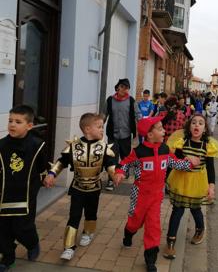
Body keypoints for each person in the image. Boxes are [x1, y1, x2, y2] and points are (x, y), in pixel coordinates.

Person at [113, 116, 200, 272]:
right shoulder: (139, 152)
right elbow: (125, 162)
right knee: (135, 222)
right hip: (139, 196)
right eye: (160, 129)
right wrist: (119, 172)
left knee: (153, 227)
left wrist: (189, 164)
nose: (164, 131)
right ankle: (128, 234)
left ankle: (150, 259)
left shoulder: (165, 149)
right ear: (149, 134)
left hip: (156, 196)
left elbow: (174, 162)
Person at [44, 113, 116, 261]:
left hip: (94, 188)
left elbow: (110, 164)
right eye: (99, 127)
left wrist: (115, 175)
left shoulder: (103, 147)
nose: (102, 130)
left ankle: (88, 232)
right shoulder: (74, 146)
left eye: (102, 127)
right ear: (88, 129)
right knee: (74, 215)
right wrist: (52, 174)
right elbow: (61, 161)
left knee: (91, 213)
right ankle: (69, 247)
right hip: (77, 188)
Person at [163, 114, 218, 260]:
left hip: (197, 182)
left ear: (205, 129)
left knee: (195, 209)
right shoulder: (182, 143)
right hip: (180, 179)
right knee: (177, 210)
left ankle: (200, 230)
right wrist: (185, 159)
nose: (197, 125)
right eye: (194, 122)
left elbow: (211, 168)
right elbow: (174, 162)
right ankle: (170, 242)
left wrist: (211, 187)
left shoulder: (207, 146)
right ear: (189, 126)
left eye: (201, 123)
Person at [0, 105, 48, 272]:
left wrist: (48, 176)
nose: (12, 124)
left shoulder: (37, 145)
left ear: (29, 125)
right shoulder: (1, 145)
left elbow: (43, 166)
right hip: (4, 195)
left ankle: (32, 243)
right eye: (10, 121)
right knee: (3, 230)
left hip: (26, 195)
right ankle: (7, 258)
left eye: (18, 122)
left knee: (22, 228)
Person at [104, 78, 138, 191]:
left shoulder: (131, 101)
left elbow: (138, 115)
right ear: (117, 87)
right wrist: (98, 126)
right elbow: (104, 115)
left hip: (126, 134)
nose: (124, 89)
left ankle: (124, 171)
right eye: (122, 87)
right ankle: (111, 179)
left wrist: (142, 126)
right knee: (112, 157)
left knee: (125, 156)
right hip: (112, 134)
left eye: (127, 87)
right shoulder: (110, 100)